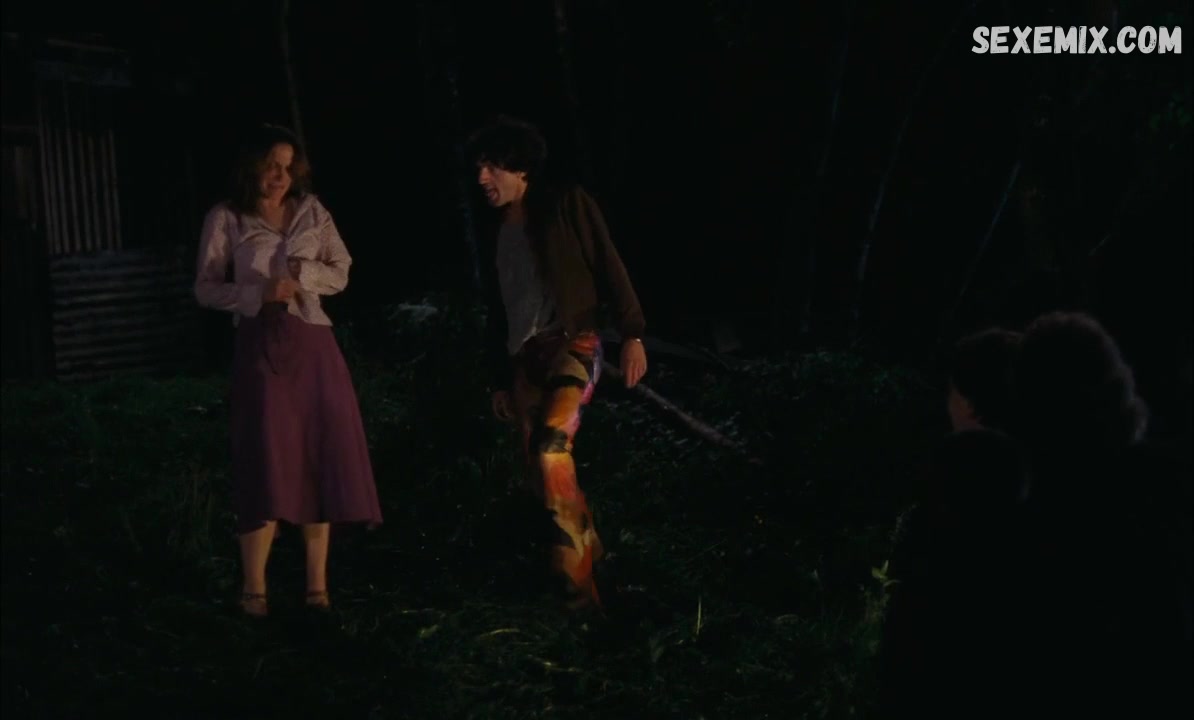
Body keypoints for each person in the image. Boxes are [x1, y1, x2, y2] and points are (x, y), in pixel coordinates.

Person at [193, 123, 382, 618]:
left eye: (288, 167)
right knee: (266, 457)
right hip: (261, 346)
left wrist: (301, 274)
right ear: (252, 167)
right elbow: (206, 287)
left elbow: (341, 270)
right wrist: (257, 293)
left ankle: (317, 589)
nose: (280, 176)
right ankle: (254, 589)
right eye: (271, 166)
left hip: (315, 344)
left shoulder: (313, 212)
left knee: (319, 455)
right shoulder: (227, 217)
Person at [465, 114, 647, 610]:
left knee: (551, 446)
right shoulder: (496, 230)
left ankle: (576, 590)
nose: (482, 178)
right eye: (479, 168)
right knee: (540, 471)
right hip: (523, 360)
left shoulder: (565, 203)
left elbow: (608, 261)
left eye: (491, 167)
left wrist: (633, 333)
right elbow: (498, 310)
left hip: (573, 344)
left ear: (519, 168)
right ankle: (594, 559)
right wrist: (499, 379)